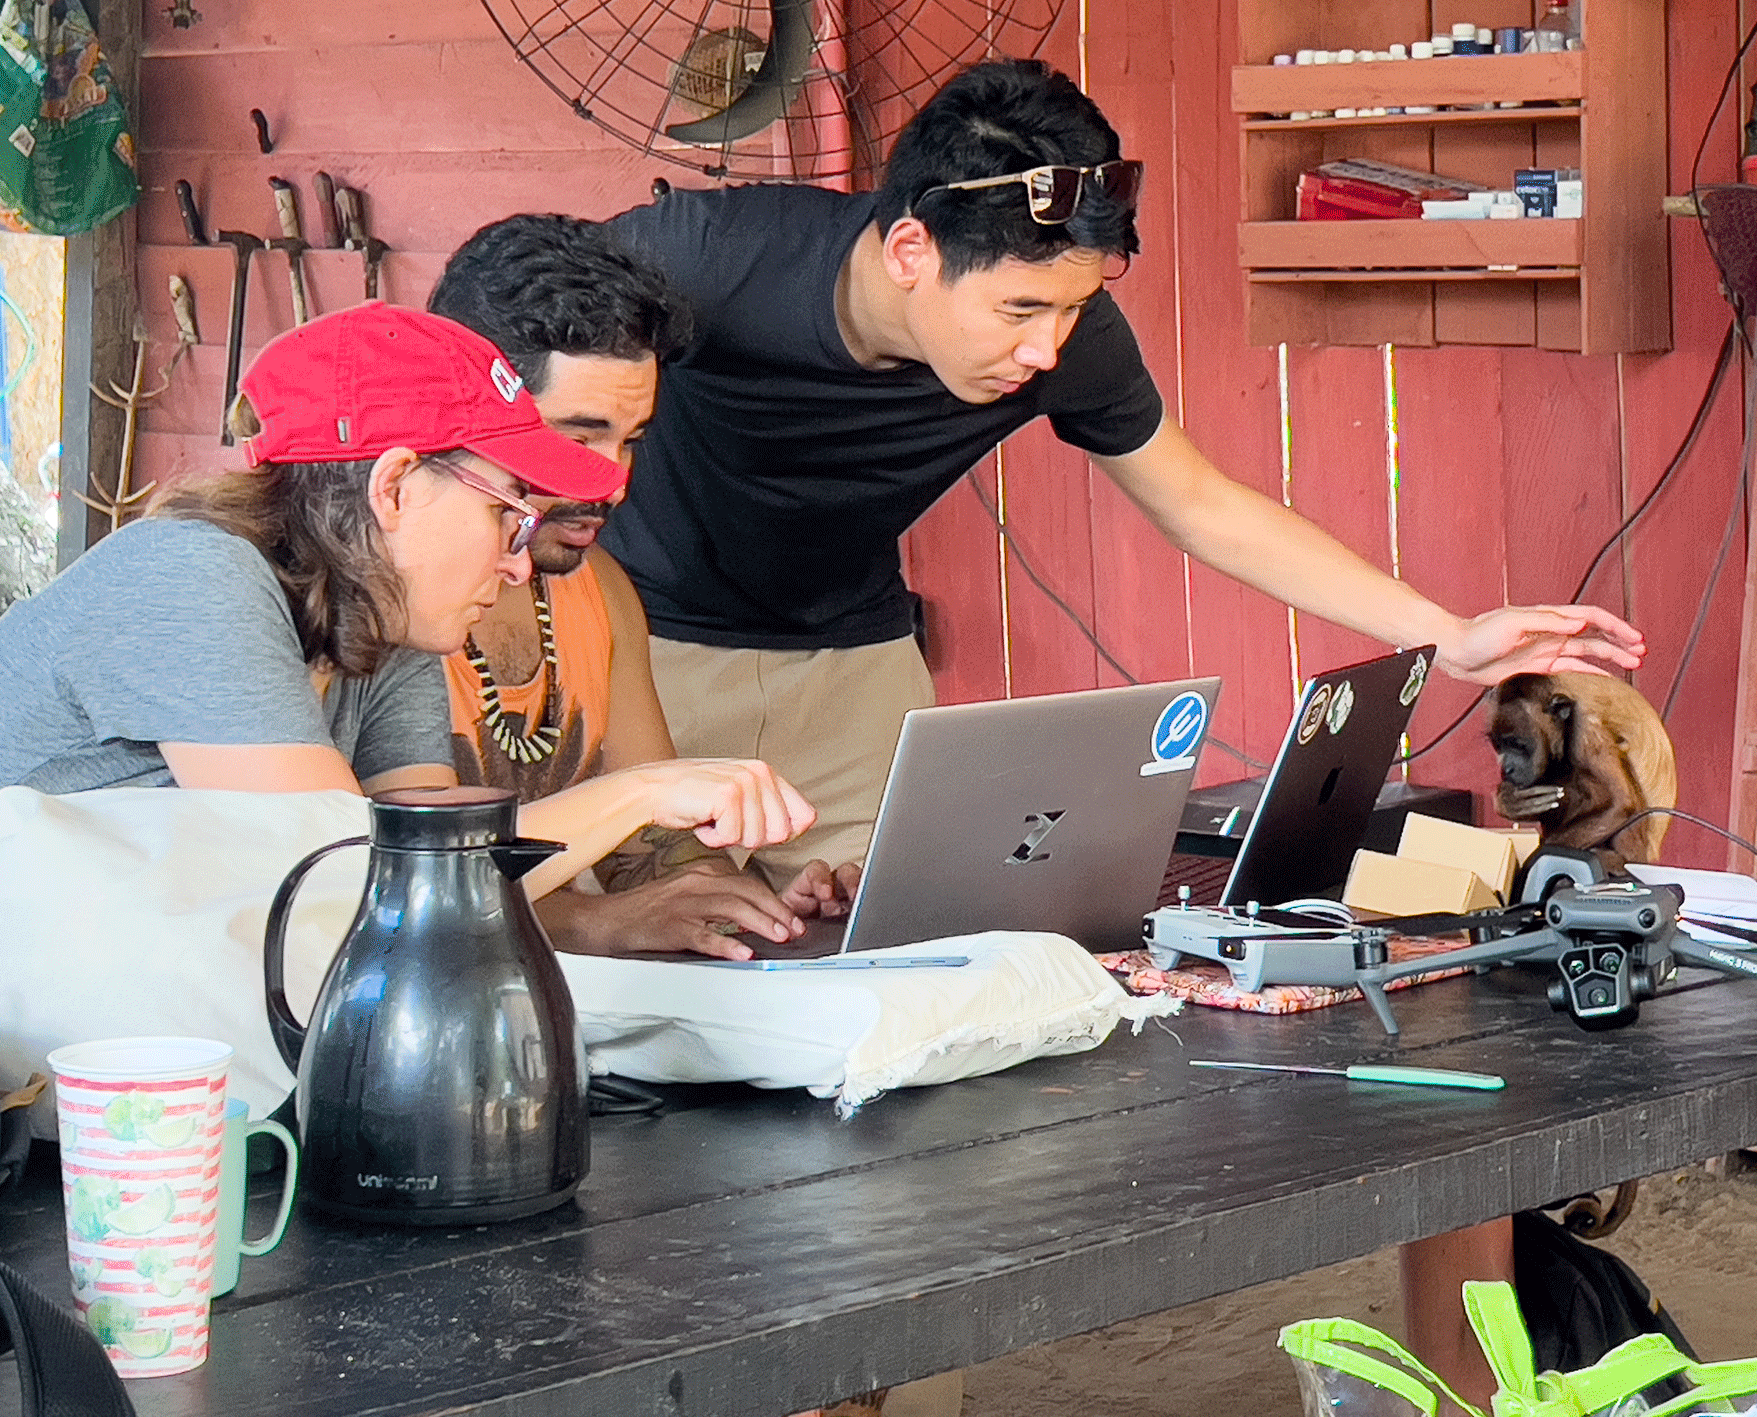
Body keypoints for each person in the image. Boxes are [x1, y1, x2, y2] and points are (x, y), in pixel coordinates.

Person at [592, 58, 1644, 887]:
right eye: (1017, 312)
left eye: (1070, 306)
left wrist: (1448, 634)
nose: (1047, 350)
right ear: (910, 252)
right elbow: (492, 362)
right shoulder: (695, 258)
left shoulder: (1068, 330)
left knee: (904, 961)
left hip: (855, 672)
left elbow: (1202, 506)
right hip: (645, 655)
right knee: (652, 955)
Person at [0, 303, 812, 962]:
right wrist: (633, 796)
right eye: (508, 513)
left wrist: (612, 908)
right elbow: (343, 880)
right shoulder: (187, 580)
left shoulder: (391, 627)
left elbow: (437, 891)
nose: (515, 556)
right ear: (396, 484)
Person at [427, 212, 851, 960]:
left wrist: (749, 908)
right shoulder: (395, 607)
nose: (612, 481)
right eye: (578, 436)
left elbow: (654, 847)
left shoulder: (602, 590)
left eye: (631, 441)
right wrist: (597, 922)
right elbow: (396, 891)